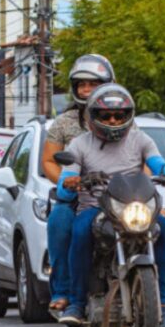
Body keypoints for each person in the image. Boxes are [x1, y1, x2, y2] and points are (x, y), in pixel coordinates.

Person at [56, 84, 165, 327]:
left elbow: (158, 163)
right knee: (80, 231)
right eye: (106, 115)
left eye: (119, 115)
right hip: (96, 208)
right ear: (92, 116)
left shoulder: (141, 139)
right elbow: (66, 179)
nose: (113, 120)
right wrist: (72, 181)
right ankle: (75, 301)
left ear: (128, 115)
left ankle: (163, 306)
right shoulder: (79, 144)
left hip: (134, 207)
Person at [41, 54, 116, 312]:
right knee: (60, 222)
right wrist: (67, 180)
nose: (86, 90)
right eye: (81, 85)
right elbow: (49, 161)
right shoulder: (64, 123)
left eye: (93, 84)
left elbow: (140, 158)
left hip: (116, 193)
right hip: (77, 195)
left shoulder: (120, 115)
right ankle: (63, 290)